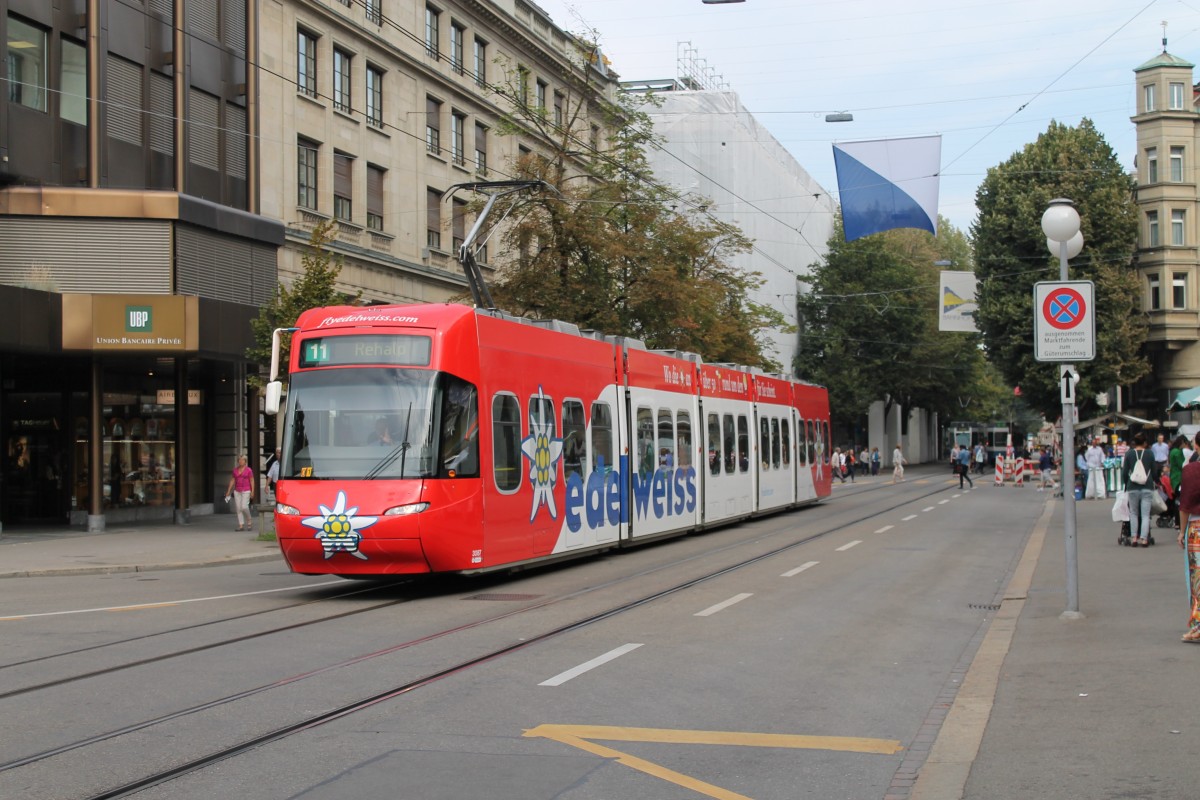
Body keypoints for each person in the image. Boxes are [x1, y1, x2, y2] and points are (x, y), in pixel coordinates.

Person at [1175, 433, 1200, 643]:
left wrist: (1181, 532)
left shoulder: (1191, 470)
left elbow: (1185, 505)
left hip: (1197, 526)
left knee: (1197, 578)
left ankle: (1199, 624)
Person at [1122, 433, 1158, 547]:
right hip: (1147, 487)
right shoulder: (1150, 453)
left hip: (1132, 487)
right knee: (1145, 515)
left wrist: (1125, 483)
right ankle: (1144, 539)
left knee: (1133, 513)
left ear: (1134, 443)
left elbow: (1124, 472)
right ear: (1145, 443)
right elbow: (1154, 471)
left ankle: (1133, 538)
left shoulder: (1129, 454)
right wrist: (1156, 481)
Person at [224, 454, 256, 532]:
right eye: (239, 460)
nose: (240, 461)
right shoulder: (235, 470)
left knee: (244, 506)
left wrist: (252, 491)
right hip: (237, 490)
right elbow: (232, 480)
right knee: (238, 508)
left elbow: (252, 480)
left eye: (242, 460)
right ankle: (241, 525)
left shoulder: (249, 470)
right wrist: (228, 491)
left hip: (246, 490)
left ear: (245, 461)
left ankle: (249, 520)